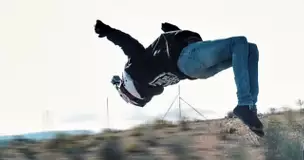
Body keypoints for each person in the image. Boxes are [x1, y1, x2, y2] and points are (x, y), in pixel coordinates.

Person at [94, 20, 264, 137]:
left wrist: (173, 32)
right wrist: (108, 31)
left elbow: (164, 59)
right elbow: (128, 43)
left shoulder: (152, 86)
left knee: (250, 50)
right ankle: (245, 104)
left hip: (196, 71)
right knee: (240, 43)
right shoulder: (137, 67)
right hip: (189, 59)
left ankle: (249, 108)